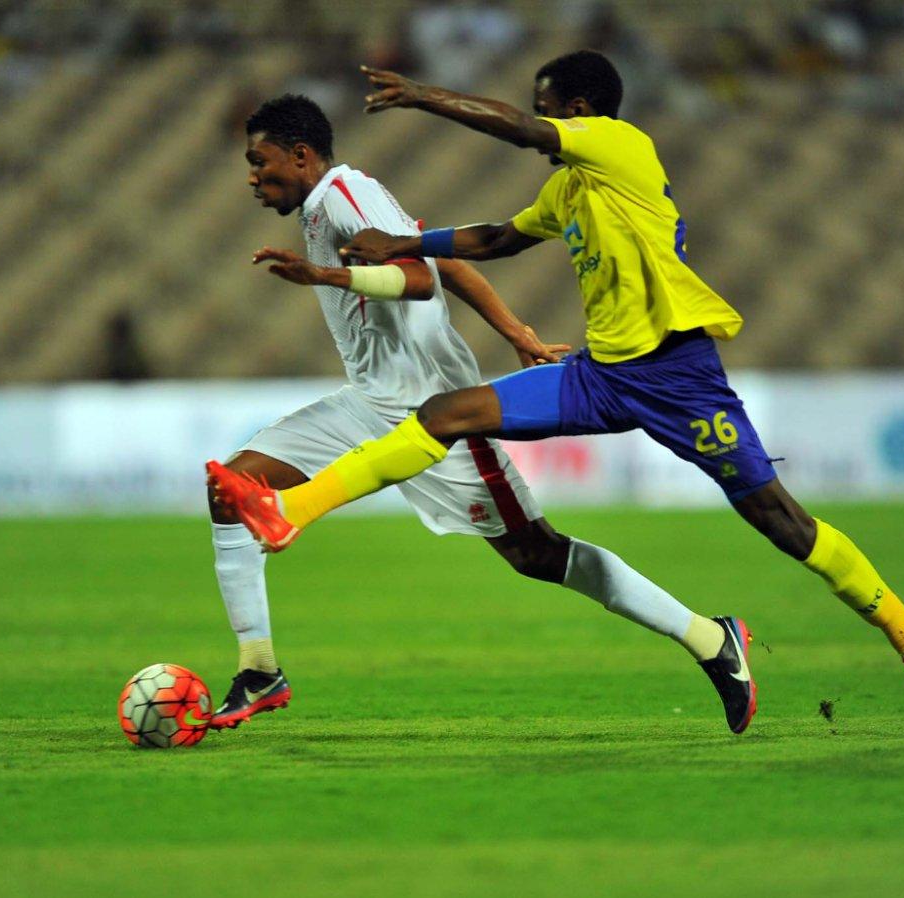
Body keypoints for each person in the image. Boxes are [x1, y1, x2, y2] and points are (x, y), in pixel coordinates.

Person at [212, 57, 904, 727]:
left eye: (550, 106)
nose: (544, 119)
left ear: (578, 109)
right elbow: (495, 240)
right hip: (601, 375)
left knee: (781, 524)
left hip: (679, 379)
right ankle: (291, 517)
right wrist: (415, 245)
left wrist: (424, 98)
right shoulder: (571, 189)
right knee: (446, 415)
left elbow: (515, 130)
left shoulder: (619, 144)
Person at [205, 94, 760, 734]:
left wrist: (327, 278)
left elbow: (415, 278)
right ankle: (259, 670)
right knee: (233, 488)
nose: (251, 176)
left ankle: (709, 638)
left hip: (433, 414)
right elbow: (445, 264)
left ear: (300, 156)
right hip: (366, 403)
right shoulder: (327, 206)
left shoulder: (340, 193)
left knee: (538, 555)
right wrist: (516, 329)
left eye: (259, 161)